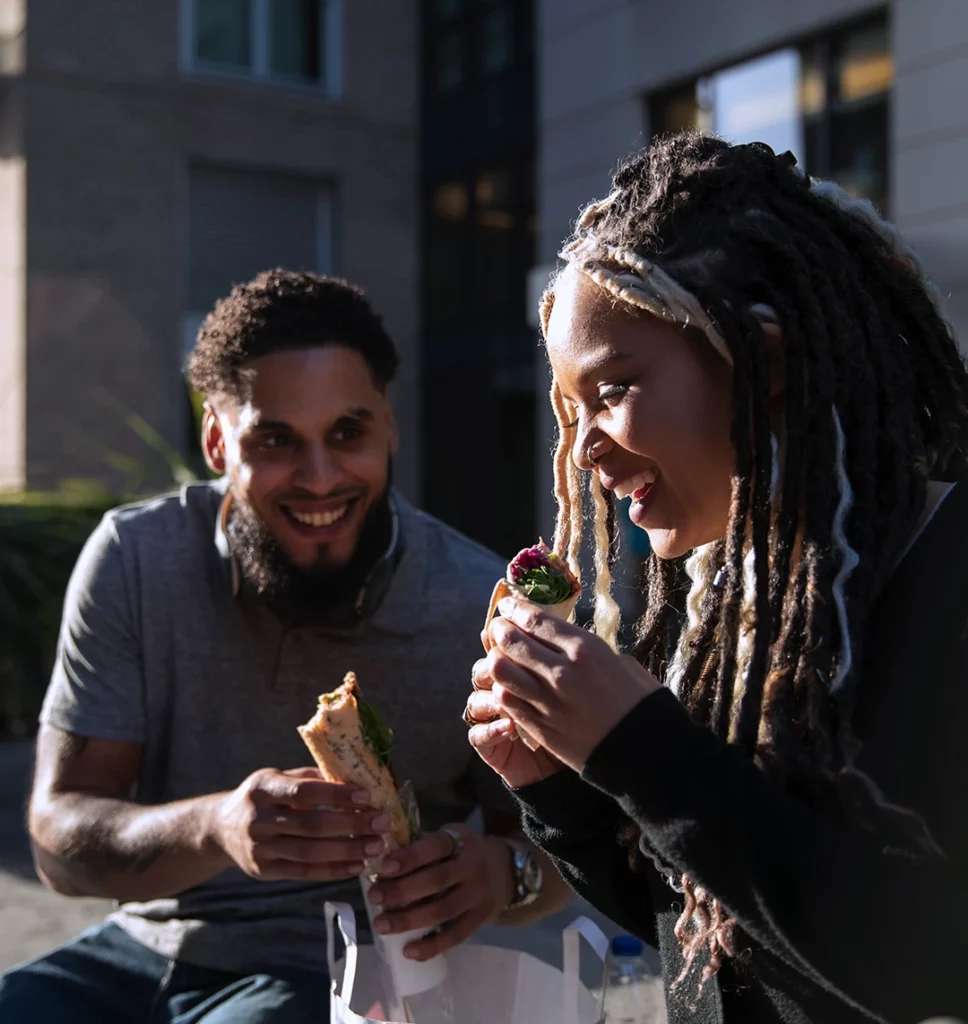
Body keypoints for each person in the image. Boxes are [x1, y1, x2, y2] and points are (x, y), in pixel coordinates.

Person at [466, 134, 968, 1024]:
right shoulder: (733, 618)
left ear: (763, 367)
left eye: (614, 387)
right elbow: (716, 946)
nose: (584, 449)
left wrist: (643, 751)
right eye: (569, 408)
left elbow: (929, 962)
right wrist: (565, 789)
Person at [0, 270, 568, 1022]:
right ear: (214, 440)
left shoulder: (474, 603)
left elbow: (554, 851)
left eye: (348, 432)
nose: (321, 478)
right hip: (135, 951)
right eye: (275, 440)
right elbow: (58, 842)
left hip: (343, 972)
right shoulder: (136, 561)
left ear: (389, 427)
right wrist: (216, 828)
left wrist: (503, 879)